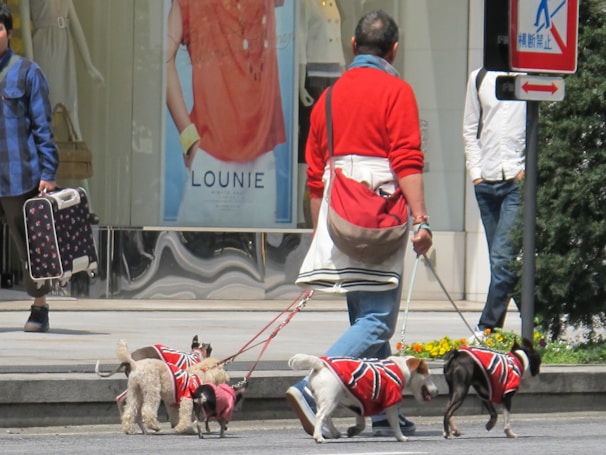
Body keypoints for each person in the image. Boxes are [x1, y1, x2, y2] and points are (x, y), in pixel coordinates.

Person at [287, 10, 433, 438]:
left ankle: (386, 410)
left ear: (352, 46)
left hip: (340, 219)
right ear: (394, 50)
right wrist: (422, 220)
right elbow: (406, 160)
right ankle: (312, 387)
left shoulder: (327, 99)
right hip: (381, 220)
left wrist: (321, 234)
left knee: (364, 318)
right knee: (377, 323)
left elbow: (315, 177)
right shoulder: (398, 92)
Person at [165, 0, 288, 227]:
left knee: (196, 254)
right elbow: (162, 59)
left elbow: (162, 58)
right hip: (216, 157)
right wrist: (189, 140)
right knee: (198, 254)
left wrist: (188, 138)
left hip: (251, 160)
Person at [0, 4, 58, 332]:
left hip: (18, 175)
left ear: (8, 32)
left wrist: (48, 173)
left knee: (29, 245)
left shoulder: (27, 72)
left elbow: (42, 126)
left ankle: (39, 306)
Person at [462, 67, 526, 339]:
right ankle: (537, 322)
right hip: (486, 181)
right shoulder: (479, 77)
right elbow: (469, 128)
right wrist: (476, 174)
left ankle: (486, 328)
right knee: (502, 263)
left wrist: (528, 170)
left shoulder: (530, 75)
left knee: (503, 259)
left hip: (516, 180)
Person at [20, 0, 105, 138]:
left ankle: (79, 155)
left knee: (71, 109)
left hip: (64, 49)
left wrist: (88, 65)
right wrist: (31, 65)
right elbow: (25, 30)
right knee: (43, 108)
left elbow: (75, 24)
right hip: (44, 48)